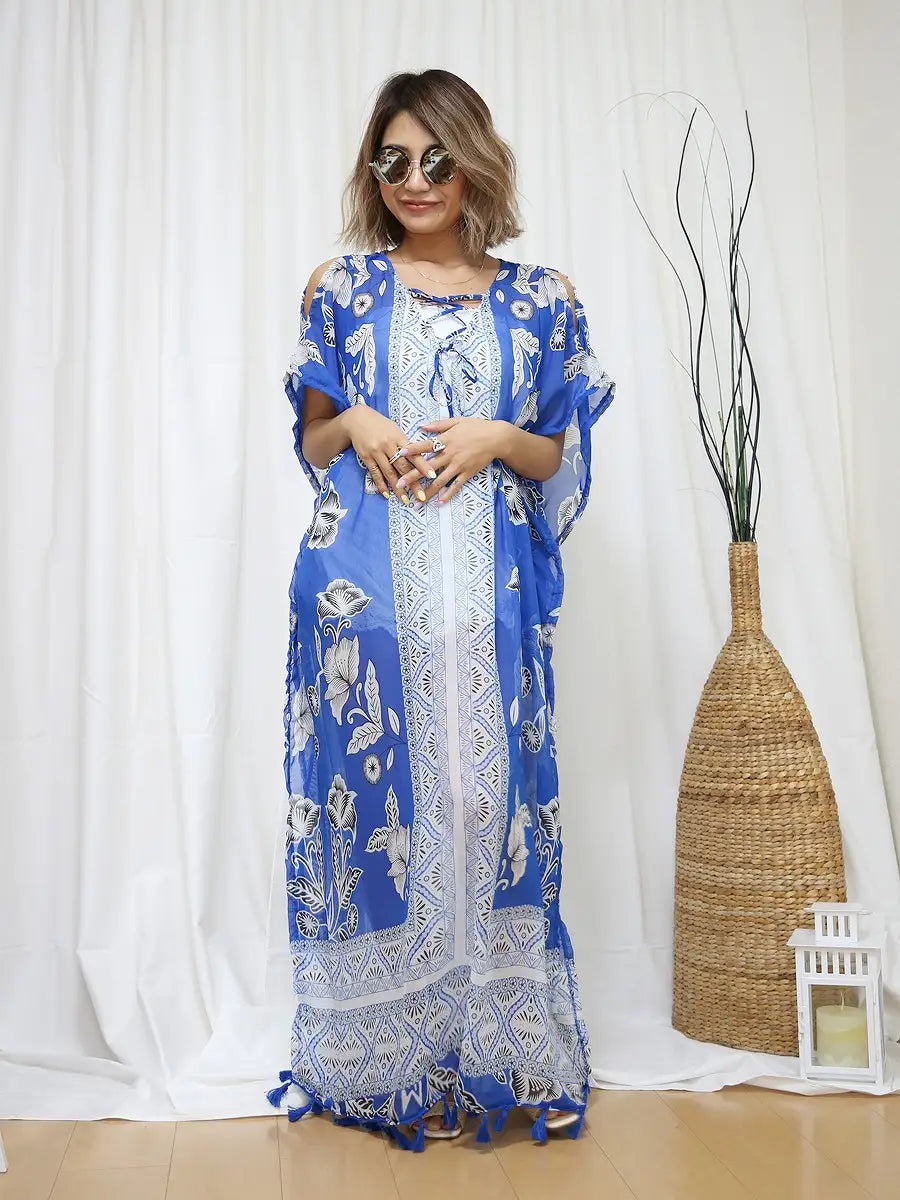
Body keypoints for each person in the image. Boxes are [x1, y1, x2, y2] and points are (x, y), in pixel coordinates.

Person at [266, 69, 615, 1151]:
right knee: (385, 818)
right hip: (366, 602)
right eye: (392, 159)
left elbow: (554, 451)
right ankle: (392, 1062)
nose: (414, 180)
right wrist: (361, 421)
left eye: (436, 158)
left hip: (488, 594)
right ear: (372, 170)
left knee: (485, 803)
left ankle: (494, 1049)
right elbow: (315, 436)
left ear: (475, 163)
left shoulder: (542, 297)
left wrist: (498, 437)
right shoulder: (341, 287)